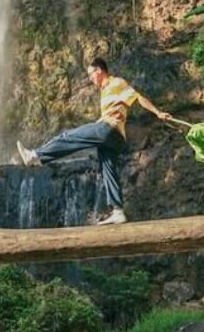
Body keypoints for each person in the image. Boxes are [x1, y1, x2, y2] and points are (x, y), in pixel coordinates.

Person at [16, 57, 171, 225]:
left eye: (91, 74)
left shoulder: (116, 83)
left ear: (99, 71)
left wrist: (158, 112)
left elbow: (138, 97)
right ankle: (118, 211)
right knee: (107, 170)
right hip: (116, 137)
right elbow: (114, 111)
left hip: (109, 130)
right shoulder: (105, 92)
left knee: (69, 137)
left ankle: (36, 156)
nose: (90, 79)